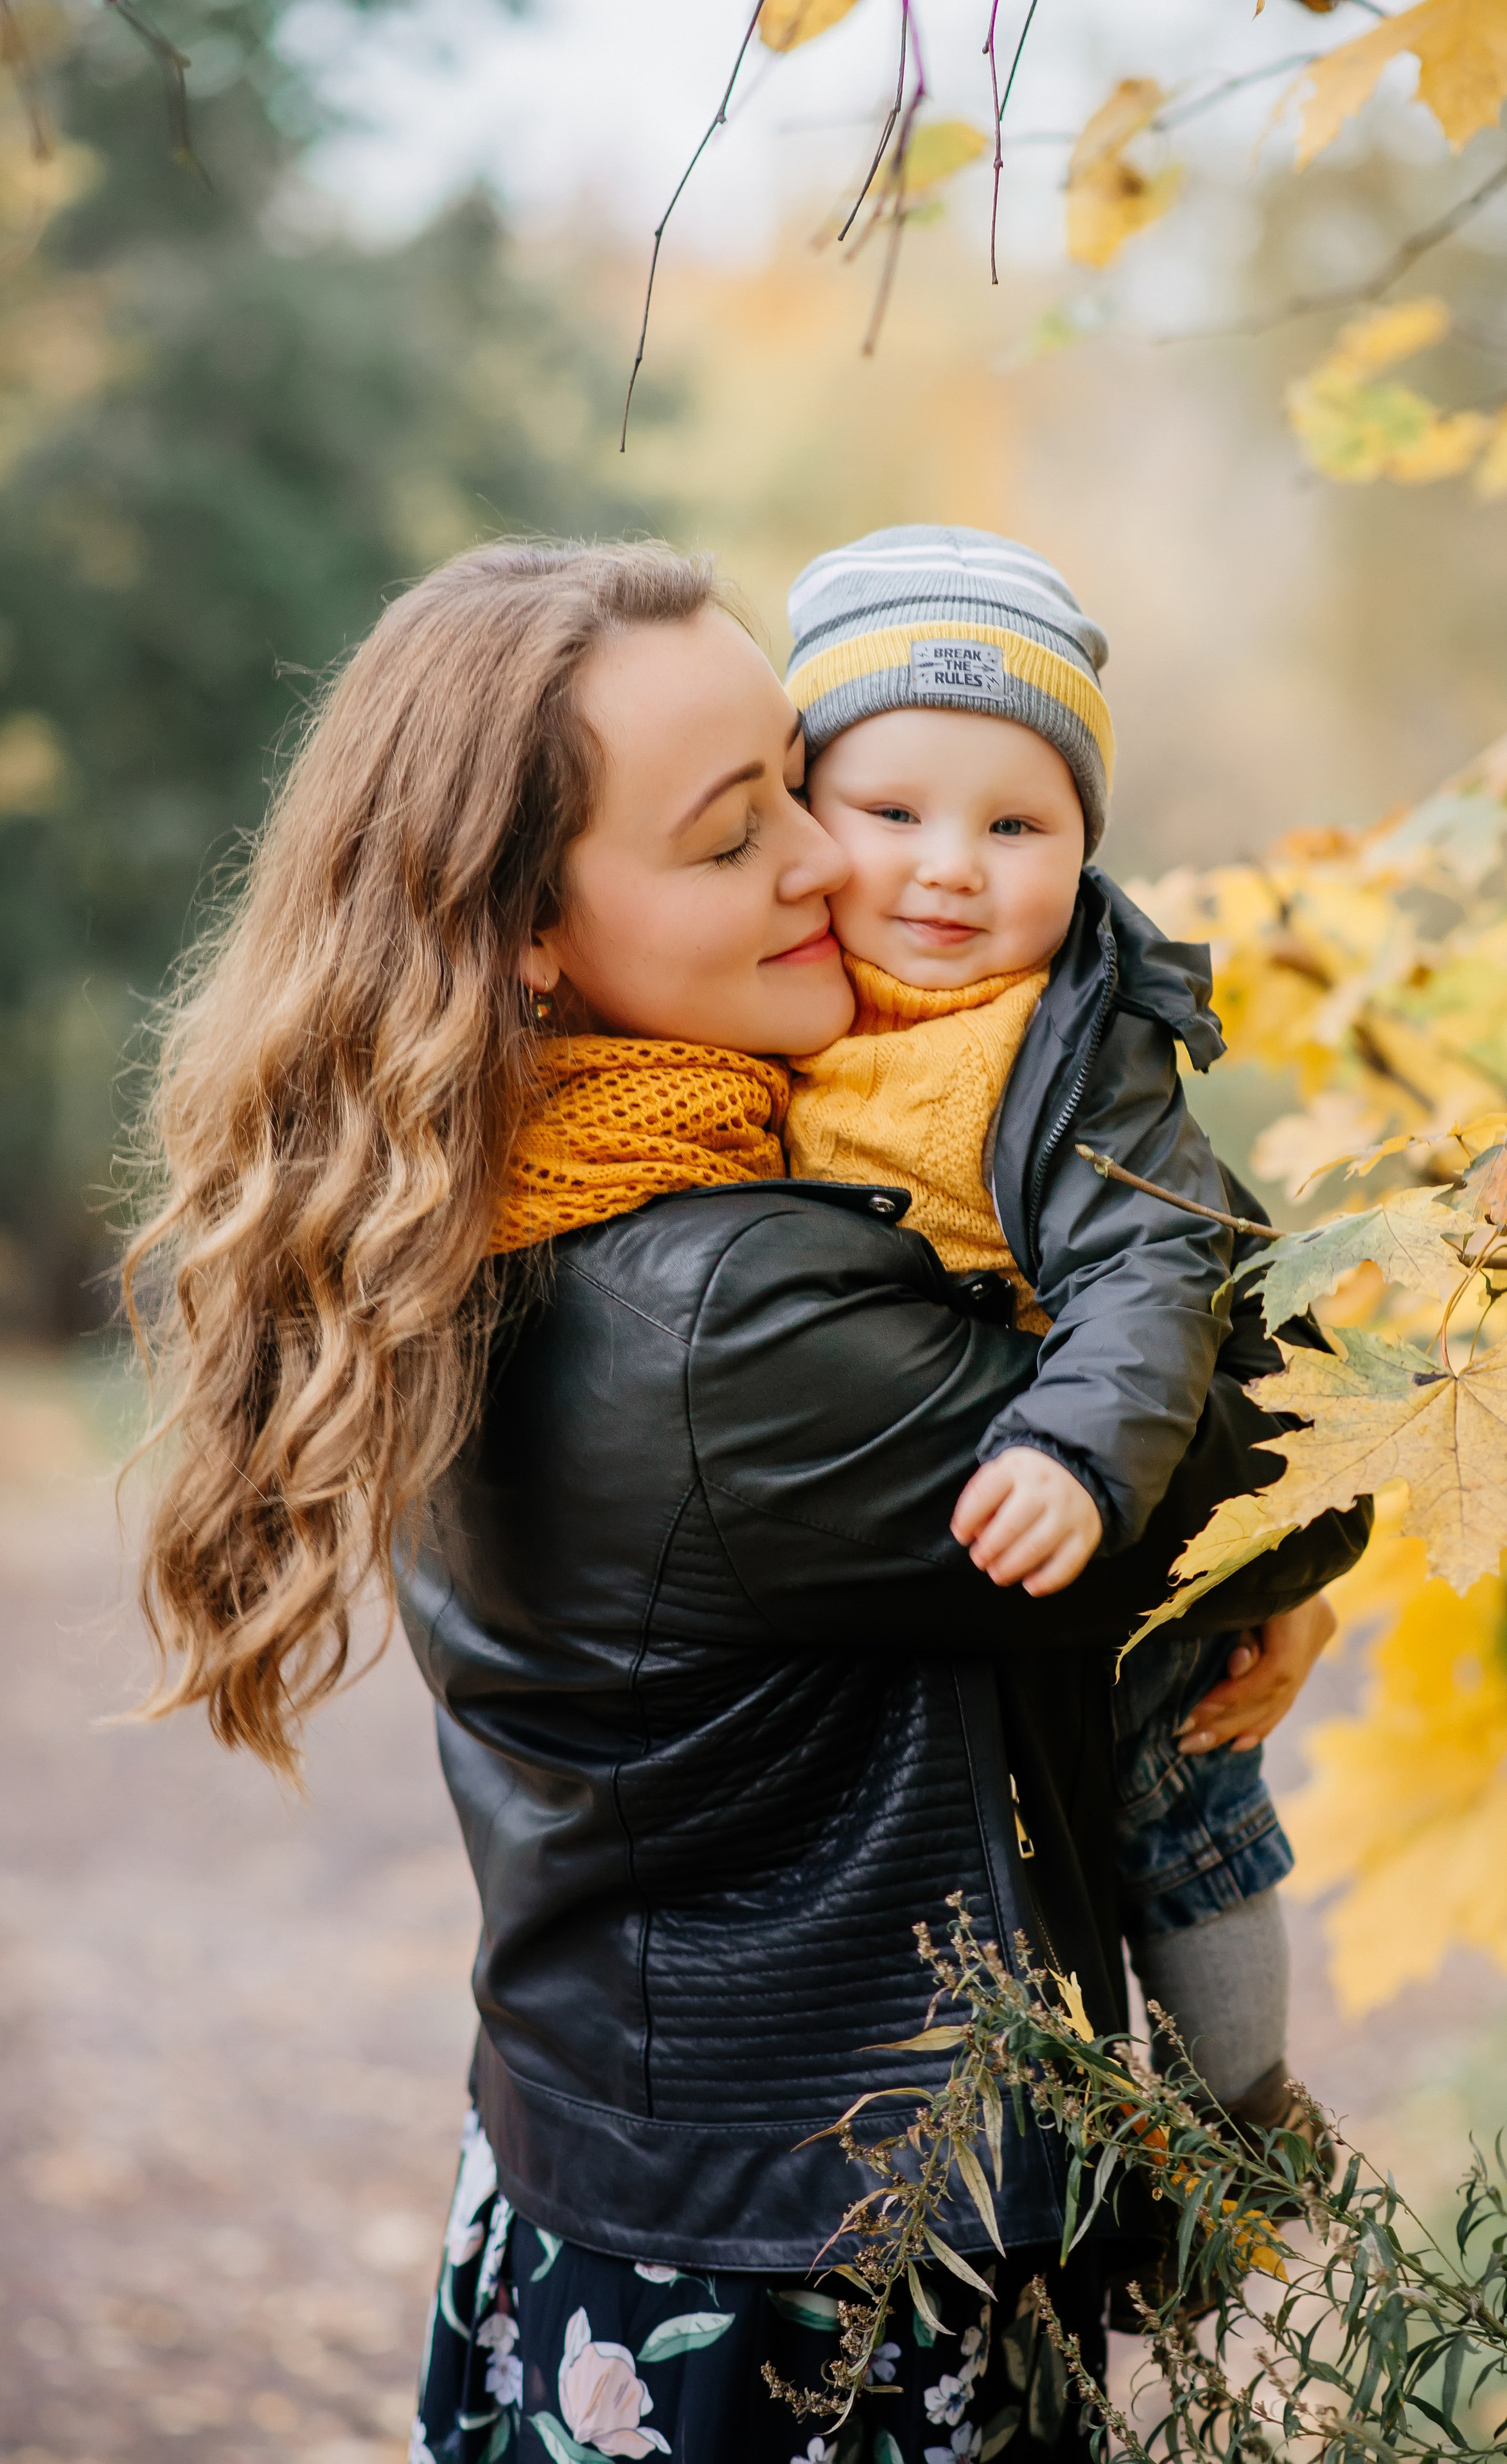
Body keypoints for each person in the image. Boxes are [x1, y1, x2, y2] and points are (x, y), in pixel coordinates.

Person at [123, 539, 1366, 2464]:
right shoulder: (718, 1313)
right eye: (731, 837)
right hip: (806, 2284)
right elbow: (1249, 1444)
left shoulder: (514, 1171)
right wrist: (1290, 1541)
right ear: (525, 927)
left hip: (632, 2170)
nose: (824, 860)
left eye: (801, 776)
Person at [782, 527, 1328, 2181]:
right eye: (891, 814)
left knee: (1184, 1815)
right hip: (927, 1563)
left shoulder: (1083, 1046)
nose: (949, 866)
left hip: (1103, 1469)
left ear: (1085, 846)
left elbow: (1157, 1267)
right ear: (801, 817)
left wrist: (1083, 1455)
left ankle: (1243, 2122)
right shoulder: (777, 1000)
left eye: (1014, 825)